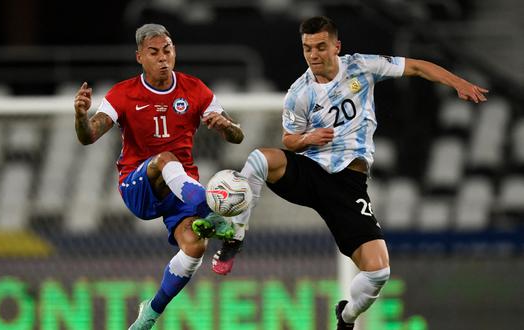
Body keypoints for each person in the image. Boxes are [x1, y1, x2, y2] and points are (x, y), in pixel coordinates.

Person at [196, 16, 488, 329]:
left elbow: (415, 66)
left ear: (337, 46)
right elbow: (288, 139)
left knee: (378, 273)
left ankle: (346, 316)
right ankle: (235, 236)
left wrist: (458, 83)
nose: (313, 54)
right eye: (307, 48)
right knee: (259, 158)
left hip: (348, 186)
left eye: (320, 47)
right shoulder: (299, 93)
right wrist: (308, 138)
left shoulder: (361, 67)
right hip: (311, 172)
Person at [73, 23, 244, 330]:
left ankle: (150, 313)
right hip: (138, 185)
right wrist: (80, 116)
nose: (163, 58)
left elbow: (237, 136)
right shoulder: (123, 94)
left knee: (194, 248)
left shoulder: (194, 89)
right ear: (140, 56)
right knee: (165, 159)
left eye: (168, 50)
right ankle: (213, 213)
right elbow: (89, 136)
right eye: (154, 53)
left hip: (179, 190)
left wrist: (225, 126)